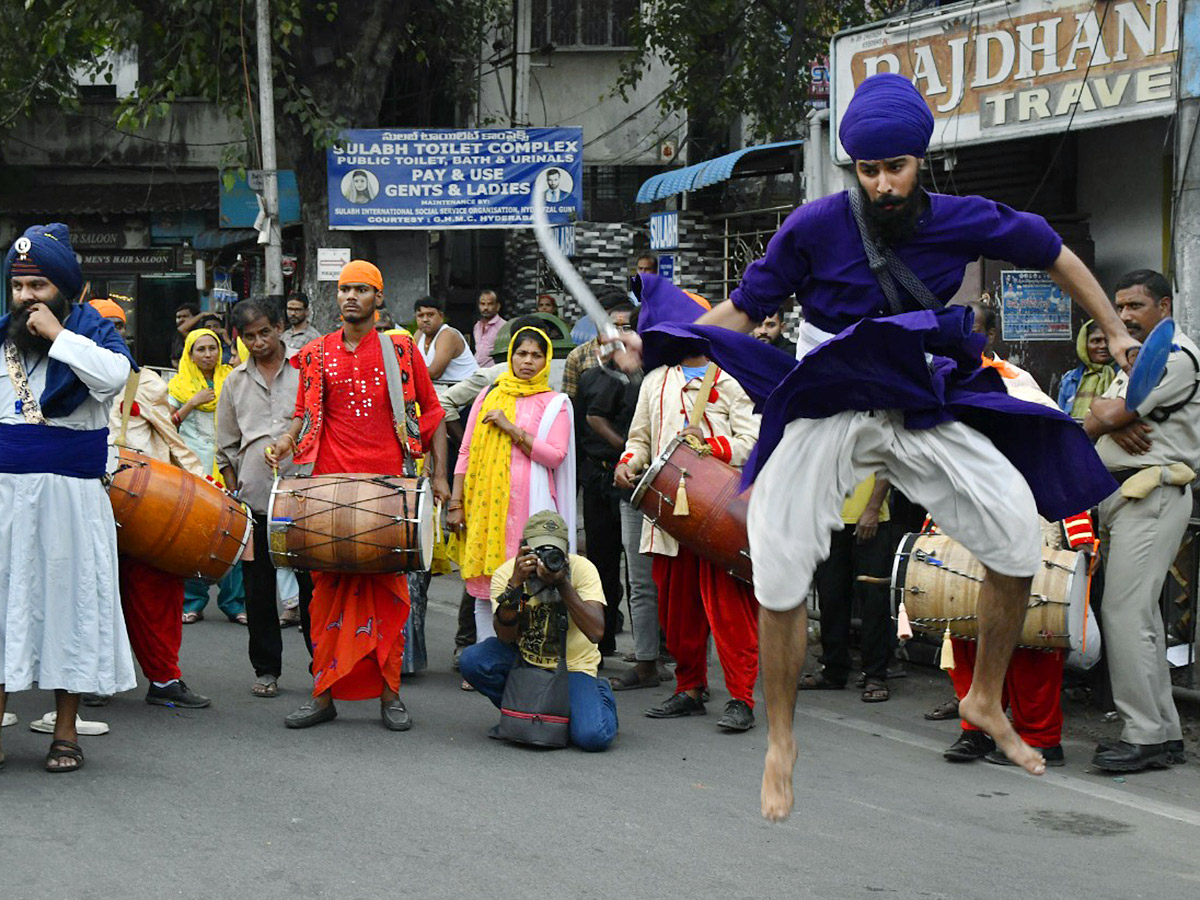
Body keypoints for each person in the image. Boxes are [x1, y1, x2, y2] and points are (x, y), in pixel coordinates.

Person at [610, 73, 1135, 820]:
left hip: (916, 398)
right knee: (781, 562)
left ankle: (985, 699)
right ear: (852, 168)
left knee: (1018, 538)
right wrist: (660, 347)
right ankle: (783, 739)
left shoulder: (962, 217)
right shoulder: (813, 227)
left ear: (922, 161)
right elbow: (743, 307)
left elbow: (1054, 251)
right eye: (868, 170)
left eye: (896, 168)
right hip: (829, 398)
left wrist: (1112, 327)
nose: (883, 185)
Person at [269, 260, 448, 731]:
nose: (350, 296)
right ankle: (323, 694)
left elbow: (433, 411)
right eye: (345, 288)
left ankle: (391, 696)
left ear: (378, 298)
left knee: (389, 599)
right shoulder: (316, 353)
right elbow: (302, 416)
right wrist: (284, 443)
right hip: (328, 489)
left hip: (386, 492)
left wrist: (438, 474)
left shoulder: (401, 350)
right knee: (323, 599)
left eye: (361, 289)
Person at [0, 223, 137, 772]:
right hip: (7, 499)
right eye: (18, 287)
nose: (27, 298)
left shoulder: (94, 337)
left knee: (70, 608)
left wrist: (58, 336)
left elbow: (113, 380)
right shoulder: (3, 340)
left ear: (61, 288)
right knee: (5, 606)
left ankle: (64, 733)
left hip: (70, 505)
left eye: (37, 286)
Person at [614, 344, 761, 732]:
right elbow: (639, 439)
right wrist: (627, 464)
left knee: (731, 614)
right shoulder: (654, 381)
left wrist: (710, 448)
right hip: (669, 518)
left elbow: (753, 441)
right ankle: (689, 689)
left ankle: (741, 699)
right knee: (677, 613)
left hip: (719, 515)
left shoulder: (730, 379)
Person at [1085, 269, 1196, 772]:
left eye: (1136, 306)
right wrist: (1112, 421)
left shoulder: (1174, 355)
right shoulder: (1136, 357)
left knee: (1124, 614)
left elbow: (1113, 413)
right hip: (1122, 495)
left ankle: (1143, 734)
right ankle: (1164, 730)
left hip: (1150, 492)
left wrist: (1112, 418)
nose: (1125, 315)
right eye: (1120, 307)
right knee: (1143, 618)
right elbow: (1106, 416)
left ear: (1165, 308)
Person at [91, 298, 212, 710]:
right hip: (88, 503)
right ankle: (88, 679)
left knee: (157, 589)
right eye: (100, 325)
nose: (109, 335)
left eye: (115, 328)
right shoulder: (64, 376)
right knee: (91, 592)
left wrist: (205, 486)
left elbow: (173, 443)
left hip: (147, 505)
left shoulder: (145, 384)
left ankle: (164, 679)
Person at [447, 326, 575, 684]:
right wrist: (456, 502)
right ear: (510, 357)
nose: (528, 362)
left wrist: (511, 428)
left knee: (527, 584)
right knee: (485, 587)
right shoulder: (488, 395)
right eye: (522, 354)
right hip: (485, 508)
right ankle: (484, 663)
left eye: (536, 355)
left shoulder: (555, 404)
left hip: (530, 513)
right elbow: (467, 451)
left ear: (546, 360)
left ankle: (524, 663)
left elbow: (555, 455)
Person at [217, 298, 313, 699]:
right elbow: (226, 447)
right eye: (250, 336)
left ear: (279, 328)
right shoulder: (234, 382)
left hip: (307, 496)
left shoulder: (308, 370)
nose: (258, 342)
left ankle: (323, 667)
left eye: (265, 333)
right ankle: (267, 669)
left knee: (313, 588)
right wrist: (235, 491)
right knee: (258, 590)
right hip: (255, 499)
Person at [458, 511, 618, 751]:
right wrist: (517, 587)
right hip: (525, 661)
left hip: (573, 668)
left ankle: (598, 693)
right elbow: (505, 636)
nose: (547, 559)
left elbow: (596, 632)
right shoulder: (508, 575)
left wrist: (562, 583)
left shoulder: (582, 569)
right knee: (474, 660)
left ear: (566, 551)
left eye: (555, 552)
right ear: (524, 549)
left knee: (593, 737)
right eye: (540, 552)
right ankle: (526, 712)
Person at [584, 336, 664, 691]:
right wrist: (629, 458)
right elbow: (629, 433)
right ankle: (644, 659)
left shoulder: (695, 377)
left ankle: (689, 669)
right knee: (636, 577)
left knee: (680, 581)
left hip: (684, 485)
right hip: (629, 483)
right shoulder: (617, 379)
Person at [169, 328, 246, 625]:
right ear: (190, 354)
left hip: (228, 467)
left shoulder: (233, 379)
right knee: (193, 537)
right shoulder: (177, 385)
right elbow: (165, 424)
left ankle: (234, 602)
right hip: (192, 469)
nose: (208, 354)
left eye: (212, 348)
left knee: (237, 534)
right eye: (200, 349)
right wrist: (193, 402)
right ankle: (193, 601)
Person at [574, 302, 637, 657]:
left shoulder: (642, 377)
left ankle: (654, 647)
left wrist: (626, 450)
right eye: (612, 328)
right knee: (601, 562)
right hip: (597, 476)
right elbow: (581, 427)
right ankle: (604, 637)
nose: (619, 335)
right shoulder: (588, 378)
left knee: (641, 568)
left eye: (626, 328)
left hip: (633, 477)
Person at [800, 476, 894, 702]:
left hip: (872, 519)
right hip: (829, 521)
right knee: (831, 594)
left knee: (873, 599)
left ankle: (875, 675)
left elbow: (887, 464)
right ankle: (834, 669)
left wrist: (872, 509)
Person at [414, 295, 479, 389]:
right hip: (443, 388)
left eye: (430, 315)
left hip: (467, 388)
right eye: (420, 316)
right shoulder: (419, 335)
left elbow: (435, 373)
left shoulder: (447, 334)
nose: (425, 320)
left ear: (441, 316)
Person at [1058, 320, 1116, 421]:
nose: (1103, 346)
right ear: (1084, 344)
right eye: (1096, 341)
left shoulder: (1125, 376)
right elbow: (1061, 417)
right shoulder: (1071, 378)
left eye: (1108, 340)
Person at [473, 290, 506, 366]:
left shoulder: (503, 326)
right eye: (482, 304)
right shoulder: (477, 326)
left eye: (490, 304)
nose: (485, 308)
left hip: (494, 372)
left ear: (498, 306)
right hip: (477, 370)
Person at [171, 300, 202, 367]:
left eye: (185, 316)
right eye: (178, 317)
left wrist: (202, 314)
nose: (181, 319)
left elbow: (182, 329)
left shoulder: (201, 334)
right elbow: (174, 358)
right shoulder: (177, 336)